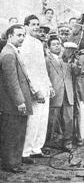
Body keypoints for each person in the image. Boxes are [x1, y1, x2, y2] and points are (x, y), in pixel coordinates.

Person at [20, 15, 54, 162]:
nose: (36, 27)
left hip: (43, 86)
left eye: (37, 24)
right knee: (33, 120)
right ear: (26, 26)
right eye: (32, 24)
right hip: (34, 88)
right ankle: (25, 151)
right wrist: (35, 90)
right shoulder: (24, 44)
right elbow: (27, 71)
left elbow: (42, 68)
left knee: (42, 119)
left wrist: (49, 85)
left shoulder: (38, 43)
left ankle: (36, 148)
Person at [0, 24, 33, 173]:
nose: (22, 38)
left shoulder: (12, 51)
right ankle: (11, 164)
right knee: (13, 134)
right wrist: (20, 101)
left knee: (17, 133)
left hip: (14, 103)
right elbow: (11, 81)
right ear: (10, 36)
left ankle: (14, 162)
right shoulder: (8, 54)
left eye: (23, 35)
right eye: (19, 35)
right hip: (12, 104)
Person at [46, 37, 80, 151]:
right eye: (53, 44)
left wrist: (75, 64)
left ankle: (67, 143)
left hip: (68, 93)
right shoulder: (47, 60)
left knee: (69, 119)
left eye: (58, 44)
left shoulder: (67, 59)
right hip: (55, 93)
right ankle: (49, 142)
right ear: (49, 47)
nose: (57, 46)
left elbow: (76, 73)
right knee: (52, 120)